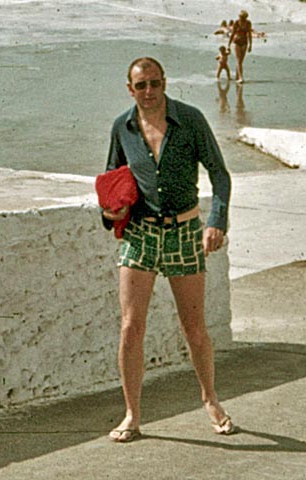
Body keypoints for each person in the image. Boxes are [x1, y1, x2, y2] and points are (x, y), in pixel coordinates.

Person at [102, 57, 235, 443]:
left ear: (164, 84)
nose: (148, 92)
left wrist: (216, 221)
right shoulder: (122, 127)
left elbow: (220, 175)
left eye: (155, 84)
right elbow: (112, 181)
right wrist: (110, 213)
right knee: (130, 327)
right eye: (141, 85)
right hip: (141, 235)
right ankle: (132, 415)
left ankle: (211, 400)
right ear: (130, 89)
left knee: (194, 328)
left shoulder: (190, 120)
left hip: (184, 232)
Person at [228, 10, 253, 83]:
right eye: (241, 17)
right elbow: (232, 34)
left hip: (244, 42)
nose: (241, 18)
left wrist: (250, 45)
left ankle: (237, 76)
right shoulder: (236, 22)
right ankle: (241, 78)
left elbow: (249, 34)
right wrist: (229, 44)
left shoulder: (248, 23)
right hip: (236, 42)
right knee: (239, 61)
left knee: (240, 61)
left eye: (243, 17)